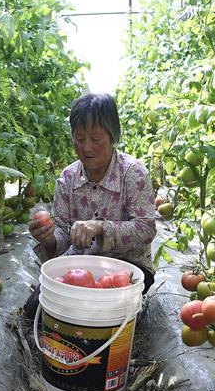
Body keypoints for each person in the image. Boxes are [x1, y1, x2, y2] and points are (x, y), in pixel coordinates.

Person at [24, 92, 157, 318]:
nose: (86, 147)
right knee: (34, 309)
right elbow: (62, 234)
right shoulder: (68, 178)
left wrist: (99, 227)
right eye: (79, 138)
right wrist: (48, 239)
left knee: (104, 312)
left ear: (112, 136)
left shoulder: (133, 174)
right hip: (79, 263)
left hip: (127, 265)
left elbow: (146, 229)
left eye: (96, 139)